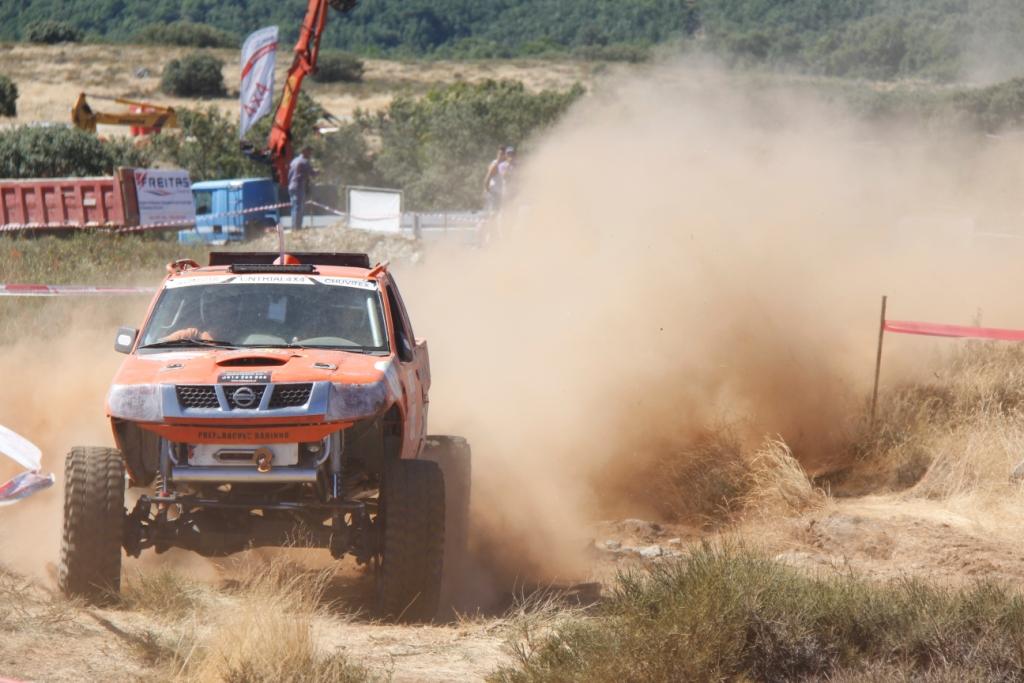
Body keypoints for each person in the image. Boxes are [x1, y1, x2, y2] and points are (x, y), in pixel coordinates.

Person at [288, 146, 317, 230]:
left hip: (291, 186)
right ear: (304, 151)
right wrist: (318, 171)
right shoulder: (304, 161)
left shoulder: (294, 161)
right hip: (298, 186)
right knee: (298, 208)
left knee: (294, 207)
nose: (310, 154)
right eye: (309, 152)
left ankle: (294, 227)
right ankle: (297, 228)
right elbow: (312, 173)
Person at [482, 146, 506, 213]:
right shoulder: (495, 164)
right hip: (493, 191)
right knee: (493, 212)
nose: (501, 156)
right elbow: (488, 177)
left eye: (502, 154)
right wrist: (486, 190)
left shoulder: (505, 164)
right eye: (500, 154)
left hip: (501, 192)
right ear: (497, 154)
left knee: (499, 211)